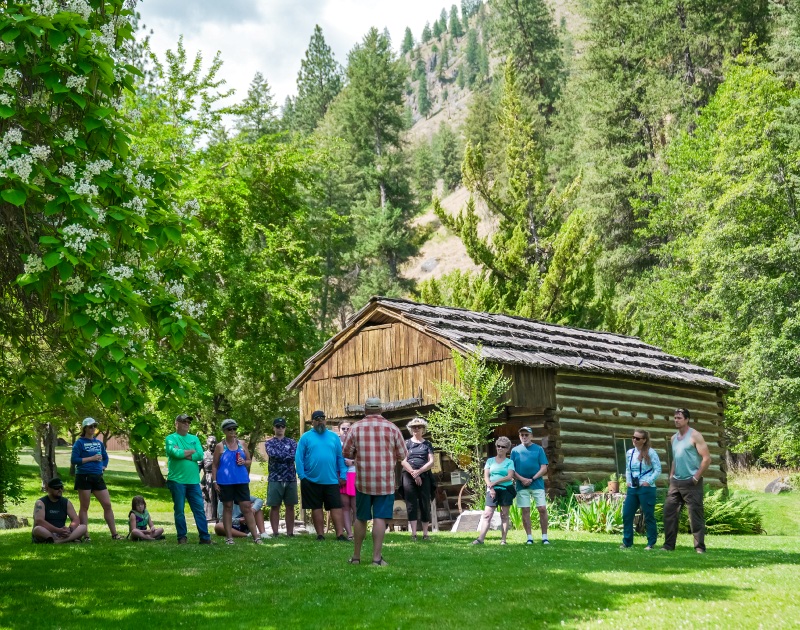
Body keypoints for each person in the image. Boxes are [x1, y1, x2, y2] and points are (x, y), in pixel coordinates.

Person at [342, 398, 408, 566]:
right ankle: (376, 559)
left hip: (363, 481)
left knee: (361, 517)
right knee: (379, 518)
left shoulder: (355, 427)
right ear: (381, 410)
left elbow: (346, 453)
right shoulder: (392, 428)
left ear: (365, 410)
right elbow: (403, 455)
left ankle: (356, 557)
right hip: (385, 482)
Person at [662, 408, 711, 553]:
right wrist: (671, 475)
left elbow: (707, 459)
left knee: (695, 515)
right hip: (676, 482)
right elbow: (675, 459)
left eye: (679, 418)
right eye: (675, 418)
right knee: (669, 513)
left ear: (687, 419)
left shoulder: (695, 436)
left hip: (691, 482)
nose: (676, 420)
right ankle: (668, 546)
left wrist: (696, 477)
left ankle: (699, 547)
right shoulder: (673, 438)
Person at [295, 410, 348, 541]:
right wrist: (302, 476)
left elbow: (339, 457)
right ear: (312, 422)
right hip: (311, 479)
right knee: (316, 507)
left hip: (331, 479)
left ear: (325, 420)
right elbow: (299, 457)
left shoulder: (333, 437)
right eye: (317, 419)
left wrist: (343, 475)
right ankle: (320, 534)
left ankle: (340, 534)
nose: (320, 421)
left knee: (336, 506)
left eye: (322, 419)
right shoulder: (306, 437)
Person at [165, 413, 213, 545]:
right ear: (176, 424)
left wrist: (184, 453)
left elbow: (200, 455)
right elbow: (174, 453)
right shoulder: (170, 438)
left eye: (188, 422)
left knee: (199, 510)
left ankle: (205, 537)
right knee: (179, 510)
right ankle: (182, 537)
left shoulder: (194, 438)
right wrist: (191, 451)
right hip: (177, 480)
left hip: (193, 481)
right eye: (184, 422)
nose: (187, 424)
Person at [71, 417, 122, 541]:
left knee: (107, 504)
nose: (93, 428)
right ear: (85, 428)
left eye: (94, 426)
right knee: (85, 506)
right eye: (90, 426)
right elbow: (74, 460)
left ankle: (115, 534)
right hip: (84, 476)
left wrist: (103, 467)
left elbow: (105, 457)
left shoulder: (98, 443)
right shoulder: (79, 443)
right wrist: (91, 458)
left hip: (97, 477)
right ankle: (86, 535)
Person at [212, 418, 262, 545]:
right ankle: (229, 538)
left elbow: (249, 461)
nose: (232, 431)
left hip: (241, 481)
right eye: (229, 429)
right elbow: (215, 465)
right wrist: (214, 481)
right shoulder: (220, 446)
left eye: (234, 428)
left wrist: (244, 462)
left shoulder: (242, 444)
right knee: (227, 507)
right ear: (224, 431)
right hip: (225, 482)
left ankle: (256, 537)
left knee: (246, 507)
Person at [620, 429, 661, 550]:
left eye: (637, 438)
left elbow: (658, 469)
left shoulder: (651, 452)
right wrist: (628, 481)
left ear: (644, 440)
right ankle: (627, 542)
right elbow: (628, 469)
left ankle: (651, 543)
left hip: (646, 488)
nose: (634, 440)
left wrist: (648, 482)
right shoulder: (630, 453)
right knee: (627, 514)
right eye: (633, 437)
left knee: (648, 515)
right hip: (633, 487)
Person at [472, 436, 516, 545]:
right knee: (487, 514)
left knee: (504, 515)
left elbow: (509, 476)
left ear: (507, 449)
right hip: (492, 490)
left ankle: (503, 540)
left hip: (506, 489)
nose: (500, 448)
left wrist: (495, 482)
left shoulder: (509, 462)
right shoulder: (490, 461)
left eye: (503, 447)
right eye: (498, 446)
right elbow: (486, 476)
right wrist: (491, 487)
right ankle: (480, 539)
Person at [511, 426, 550, 545]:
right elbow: (511, 470)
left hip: (537, 484)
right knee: (525, 510)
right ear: (519, 437)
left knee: (542, 509)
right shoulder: (515, 451)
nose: (524, 437)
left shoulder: (538, 449)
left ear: (531, 436)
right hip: (521, 485)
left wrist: (532, 479)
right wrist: (522, 479)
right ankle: (529, 538)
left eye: (526, 435)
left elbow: (544, 468)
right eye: (522, 435)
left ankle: (544, 537)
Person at [400, 417, 435, 542]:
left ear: (423, 429)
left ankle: (425, 533)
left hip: (424, 475)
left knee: (425, 503)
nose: (416, 429)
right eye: (413, 427)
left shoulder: (427, 444)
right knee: (411, 503)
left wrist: (419, 472)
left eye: (419, 427)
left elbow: (431, 461)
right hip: (408, 475)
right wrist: (414, 474)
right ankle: (414, 533)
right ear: (410, 429)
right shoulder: (406, 443)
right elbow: (403, 461)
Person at [265, 417, 298, 538]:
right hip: (275, 478)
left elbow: (294, 456)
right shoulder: (269, 443)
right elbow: (272, 454)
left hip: (290, 477)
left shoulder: (292, 442)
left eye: (282, 426)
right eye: (278, 426)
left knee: (290, 505)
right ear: (274, 428)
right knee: (275, 506)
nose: (280, 428)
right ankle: (275, 532)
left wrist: (281, 456)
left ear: (285, 428)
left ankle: (290, 533)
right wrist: (286, 455)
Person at [32, 477, 87, 544]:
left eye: (61, 488)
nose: (60, 490)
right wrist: (58, 530)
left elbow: (75, 519)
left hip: (62, 533)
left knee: (83, 527)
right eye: (56, 488)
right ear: (48, 489)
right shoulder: (40, 503)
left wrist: (69, 530)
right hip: (48, 532)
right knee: (37, 529)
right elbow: (39, 521)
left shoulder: (66, 502)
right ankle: (68, 539)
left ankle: (58, 541)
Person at [339, 421, 356, 540]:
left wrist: (353, 462)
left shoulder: (357, 441)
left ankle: (358, 532)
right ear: (339, 430)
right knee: (345, 506)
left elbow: (364, 458)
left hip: (355, 474)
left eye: (348, 428)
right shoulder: (336, 443)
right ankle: (349, 533)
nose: (345, 430)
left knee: (356, 506)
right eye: (343, 428)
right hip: (342, 476)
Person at [200, 436, 218, 522]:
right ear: (207, 443)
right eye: (211, 442)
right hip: (208, 479)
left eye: (215, 442)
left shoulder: (220, 454)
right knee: (208, 497)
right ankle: (209, 517)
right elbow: (197, 470)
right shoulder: (203, 455)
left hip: (219, 478)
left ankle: (219, 516)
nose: (213, 444)